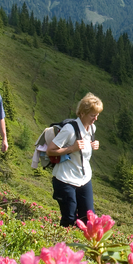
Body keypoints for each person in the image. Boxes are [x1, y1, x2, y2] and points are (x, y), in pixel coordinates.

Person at [46, 93, 102, 227]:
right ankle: (62, 246)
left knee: (88, 219)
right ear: (82, 113)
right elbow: (50, 150)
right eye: (92, 115)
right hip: (65, 179)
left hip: (84, 178)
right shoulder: (69, 129)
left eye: (97, 115)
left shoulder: (92, 128)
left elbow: (85, 145)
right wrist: (71, 148)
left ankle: (81, 246)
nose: (95, 118)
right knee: (69, 218)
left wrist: (94, 144)